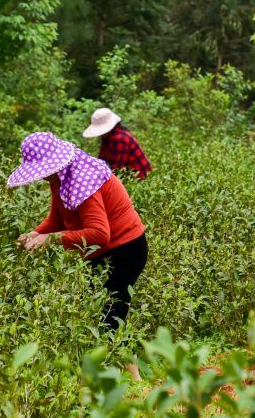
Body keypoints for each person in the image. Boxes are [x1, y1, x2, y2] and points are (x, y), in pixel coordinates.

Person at [8, 131, 149, 335]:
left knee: (109, 321)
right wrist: (33, 234)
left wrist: (51, 239)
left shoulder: (83, 180)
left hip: (125, 249)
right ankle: (127, 366)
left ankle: (126, 367)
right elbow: (56, 220)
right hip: (102, 253)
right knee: (100, 317)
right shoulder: (59, 178)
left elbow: (99, 234)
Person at [83, 107, 152, 180]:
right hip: (126, 173)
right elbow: (102, 160)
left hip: (139, 178)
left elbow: (117, 168)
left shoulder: (120, 139)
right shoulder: (107, 137)